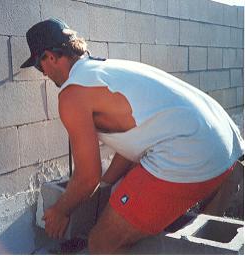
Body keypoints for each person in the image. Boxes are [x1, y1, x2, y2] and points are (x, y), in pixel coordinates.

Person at [20, 18, 244, 254]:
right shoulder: (105, 69)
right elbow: (134, 141)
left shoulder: (72, 94)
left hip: (189, 154)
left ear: (50, 57)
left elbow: (87, 177)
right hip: (225, 146)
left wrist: (60, 211)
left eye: (39, 65)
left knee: (102, 243)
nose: (43, 73)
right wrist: (107, 185)